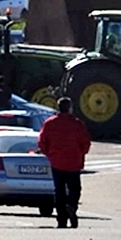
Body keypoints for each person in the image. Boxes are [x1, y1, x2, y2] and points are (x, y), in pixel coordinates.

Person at [38, 96, 92, 228]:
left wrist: (49, 154)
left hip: (56, 162)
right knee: (75, 188)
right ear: (70, 108)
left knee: (59, 191)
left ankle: (61, 219)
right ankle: (72, 205)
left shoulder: (50, 123)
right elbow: (85, 143)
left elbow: (42, 142)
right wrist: (81, 153)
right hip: (73, 162)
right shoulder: (77, 124)